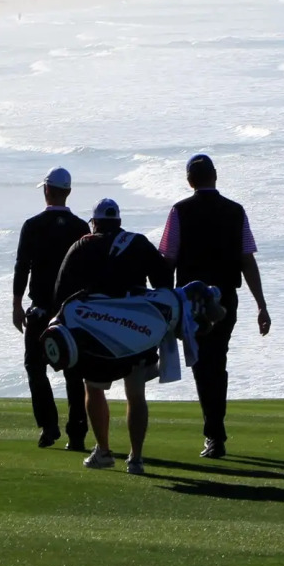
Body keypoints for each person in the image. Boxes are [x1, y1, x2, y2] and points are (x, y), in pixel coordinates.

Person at [159, 154, 269, 459]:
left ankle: (215, 435)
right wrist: (261, 305)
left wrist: (162, 300)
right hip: (225, 298)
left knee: (204, 362)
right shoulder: (235, 211)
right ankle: (215, 433)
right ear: (215, 175)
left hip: (190, 300)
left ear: (189, 180)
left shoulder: (180, 211)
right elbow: (247, 261)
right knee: (214, 360)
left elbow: (167, 258)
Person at [55, 198, 173, 474]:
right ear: (119, 222)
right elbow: (165, 284)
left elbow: (61, 296)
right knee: (136, 394)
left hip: (96, 336)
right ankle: (137, 458)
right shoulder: (139, 243)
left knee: (94, 388)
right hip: (135, 332)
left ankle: (104, 451)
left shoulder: (81, 246)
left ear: (94, 223)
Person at [12, 167, 90, 451]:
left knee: (35, 365)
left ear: (47, 190)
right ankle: (78, 433)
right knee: (74, 371)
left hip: (42, 309)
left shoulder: (32, 225)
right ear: (67, 191)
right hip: (73, 310)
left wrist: (16, 304)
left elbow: (23, 266)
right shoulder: (81, 227)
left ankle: (49, 426)